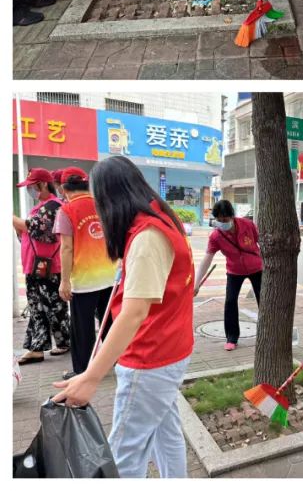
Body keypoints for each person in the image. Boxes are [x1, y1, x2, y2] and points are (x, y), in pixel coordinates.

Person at [50, 157, 193, 478]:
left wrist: (90, 377)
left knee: (125, 453)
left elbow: (133, 314)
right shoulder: (160, 217)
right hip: (169, 350)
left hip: (150, 358)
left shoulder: (146, 236)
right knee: (165, 433)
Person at [53, 167, 116, 379]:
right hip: (110, 276)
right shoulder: (104, 204)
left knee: (82, 328)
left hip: (84, 280)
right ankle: (116, 361)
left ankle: (82, 370)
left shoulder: (66, 210)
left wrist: (64, 282)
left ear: (63, 188)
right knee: (109, 322)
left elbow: (66, 248)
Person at [14, 167, 70, 366]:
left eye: (31, 186)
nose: (29, 190)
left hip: (47, 266)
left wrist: (12, 219)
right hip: (36, 265)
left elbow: (36, 229)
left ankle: (41, 347)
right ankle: (58, 342)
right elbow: (27, 234)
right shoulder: (41, 207)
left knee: (49, 306)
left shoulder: (53, 206)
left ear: (43, 184)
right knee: (45, 306)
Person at [192, 200, 262, 352]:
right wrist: (196, 283)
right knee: (230, 302)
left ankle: (268, 334)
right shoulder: (216, 236)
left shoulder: (247, 225)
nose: (223, 223)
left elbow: (261, 242)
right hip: (234, 271)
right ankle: (231, 338)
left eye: (226, 220)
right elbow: (207, 258)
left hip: (257, 268)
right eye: (219, 220)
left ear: (232, 216)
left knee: (264, 301)